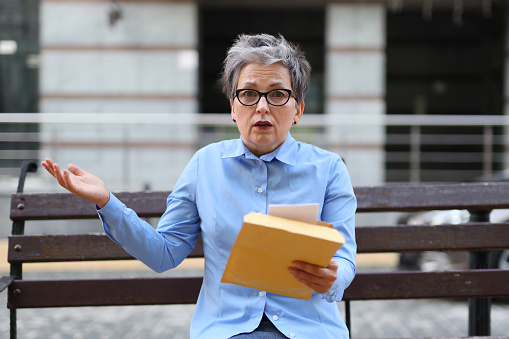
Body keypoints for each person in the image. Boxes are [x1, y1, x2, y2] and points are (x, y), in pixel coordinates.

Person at [42, 33, 357, 339]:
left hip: (309, 329)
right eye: (248, 94)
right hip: (228, 330)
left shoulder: (328, 170)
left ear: (298, 109)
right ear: (233, 108)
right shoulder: (205, 165)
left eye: (277, 94)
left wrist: (332, 278)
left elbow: (344, 260)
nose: (262, 107)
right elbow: (164, 253)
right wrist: (108, 202)